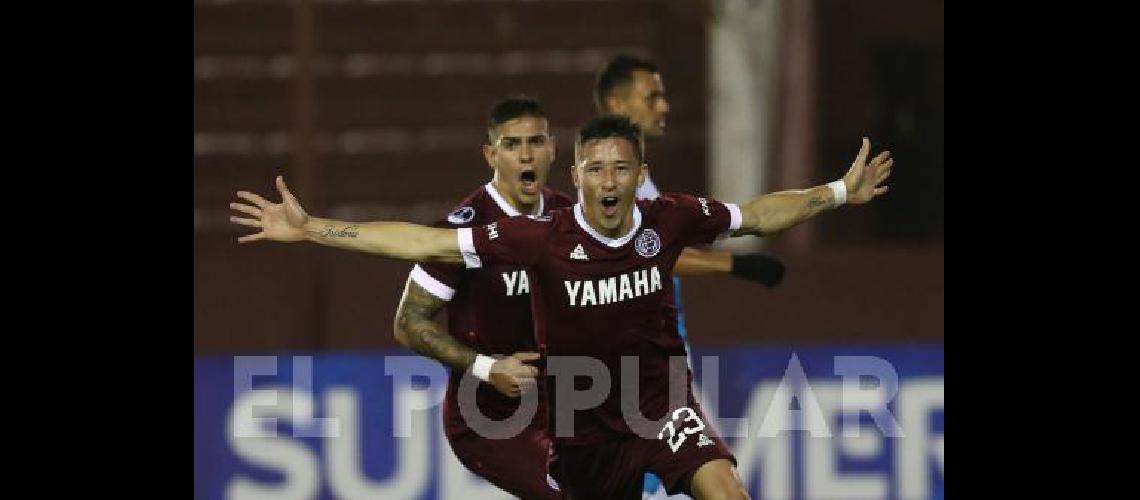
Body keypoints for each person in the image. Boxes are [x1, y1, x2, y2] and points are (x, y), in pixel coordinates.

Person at [229, 115, 893, 499]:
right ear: (575, 176)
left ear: (639, 174)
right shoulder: (538, 237)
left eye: (621, 169)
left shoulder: (672, 217)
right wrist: (313, 227)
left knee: (724, 487)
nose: (609, 181)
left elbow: (756, 215)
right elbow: (424, 240)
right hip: (579, 422)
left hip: (655, 399)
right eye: (595, 169)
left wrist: (836, 190)